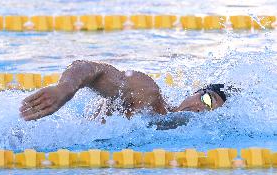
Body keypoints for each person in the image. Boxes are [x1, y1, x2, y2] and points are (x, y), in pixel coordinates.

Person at [19, 60, 227, 125]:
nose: (201, 109)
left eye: (210, 109)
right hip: (32, 123)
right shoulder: (148, 94)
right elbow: (93, 69)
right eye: (207, 99)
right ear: (194, 92)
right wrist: (64, 89)